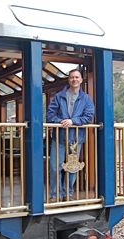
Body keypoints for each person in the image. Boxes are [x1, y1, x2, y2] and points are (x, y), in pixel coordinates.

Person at [46, 69, 94, 201]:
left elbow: (89, 117)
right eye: (72, 77)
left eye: (77, 77)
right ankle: (55, 194)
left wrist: (73, 121)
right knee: (55, 167)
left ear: (81, 80)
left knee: (72, 168)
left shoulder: (86, 99)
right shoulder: (58, 96)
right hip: (59, 138)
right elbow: (50, 115)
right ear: (69, 80)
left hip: (76, 139)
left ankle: (68, 193)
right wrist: (61, 122)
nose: (74, 79)